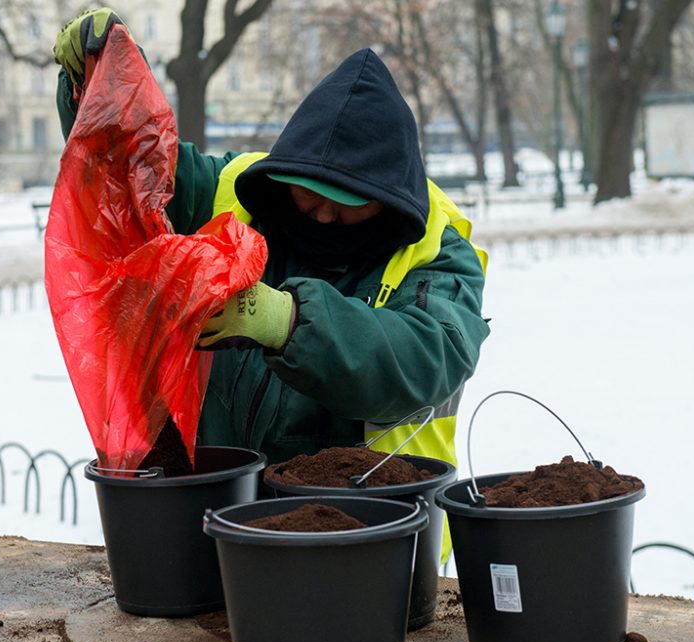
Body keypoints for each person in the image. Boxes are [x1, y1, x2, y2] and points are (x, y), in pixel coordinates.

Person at [52, 9, 489, 473]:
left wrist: (290, 321)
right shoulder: (237, 189)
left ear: (387, 198)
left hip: (376, 521)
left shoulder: (438, 249)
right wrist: (102, 78)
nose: (322, 213)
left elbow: (427, 358)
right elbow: (136, 168)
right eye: (308, 193)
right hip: (224, 505)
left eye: (345, 204)